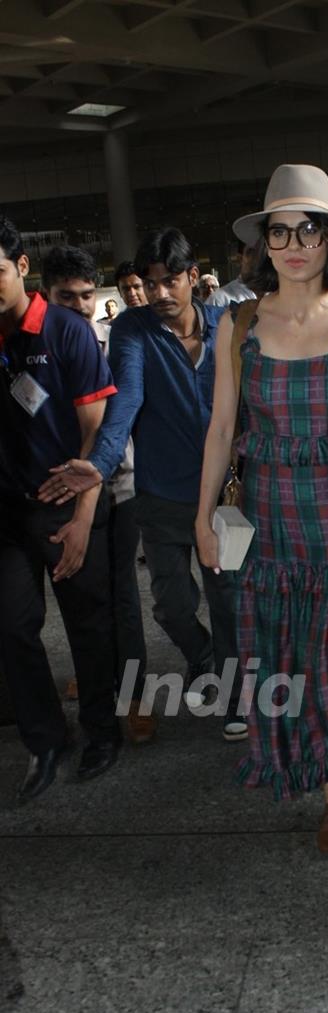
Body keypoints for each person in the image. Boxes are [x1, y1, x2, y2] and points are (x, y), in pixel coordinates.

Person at [195, 164, 328, 856]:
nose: (293, 244)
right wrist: (203, 515)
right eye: (279, 231)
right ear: (264, 242)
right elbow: (222, 428)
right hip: (271, 526)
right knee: (288, 664)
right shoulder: (239, 323)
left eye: (307, 229)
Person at [38, 228, 248, 743]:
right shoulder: (134, 330)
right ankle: (203, 659)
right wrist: (101, 463)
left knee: (231, 600)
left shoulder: (228, 326)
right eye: (150, 283)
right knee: (172, 605)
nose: (158, 294)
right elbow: (124, 402)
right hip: (161, 499)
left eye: (170, 281)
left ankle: (236, 693)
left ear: (193, 279)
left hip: (229, 499)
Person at [0, 217, 122, 800]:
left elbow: (96, 436)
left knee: (88, 623)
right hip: (5, 513)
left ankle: (102, 729)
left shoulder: (66, 332)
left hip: (66, 503)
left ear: (23, 267)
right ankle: (45, 738)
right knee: (12, 628)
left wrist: (80, 519)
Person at [40, 246, 151, 743]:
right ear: (46, 292)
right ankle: (97, 683)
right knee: (87, 598)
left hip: (118, 483)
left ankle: (135, 696)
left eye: (88, 295)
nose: (81, 306)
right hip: (62, 487)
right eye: (68, 296)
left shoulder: (115, 337)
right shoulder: (34, 342)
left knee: (123, 594)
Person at [207, 240, 256, 307]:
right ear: (240, 259)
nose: (261, 258)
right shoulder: (218, 300)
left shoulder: (274, 297)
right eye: (253, 252)